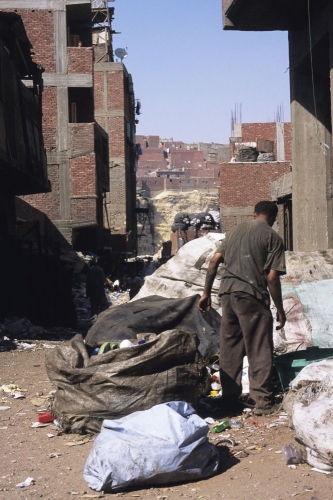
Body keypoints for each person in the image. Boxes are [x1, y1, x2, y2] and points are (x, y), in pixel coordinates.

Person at [198, 201, 286, 416]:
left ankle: (229, 400)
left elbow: (213, 262)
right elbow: (272, 277)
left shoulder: (235, 230)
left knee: (230, 348)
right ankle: (263, 402)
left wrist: (206, 293)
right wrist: (280, 309)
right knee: (259, 348)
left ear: (254, 213)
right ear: (275, 218)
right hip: (252, 296)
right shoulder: (273, 237)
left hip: (227, 294)